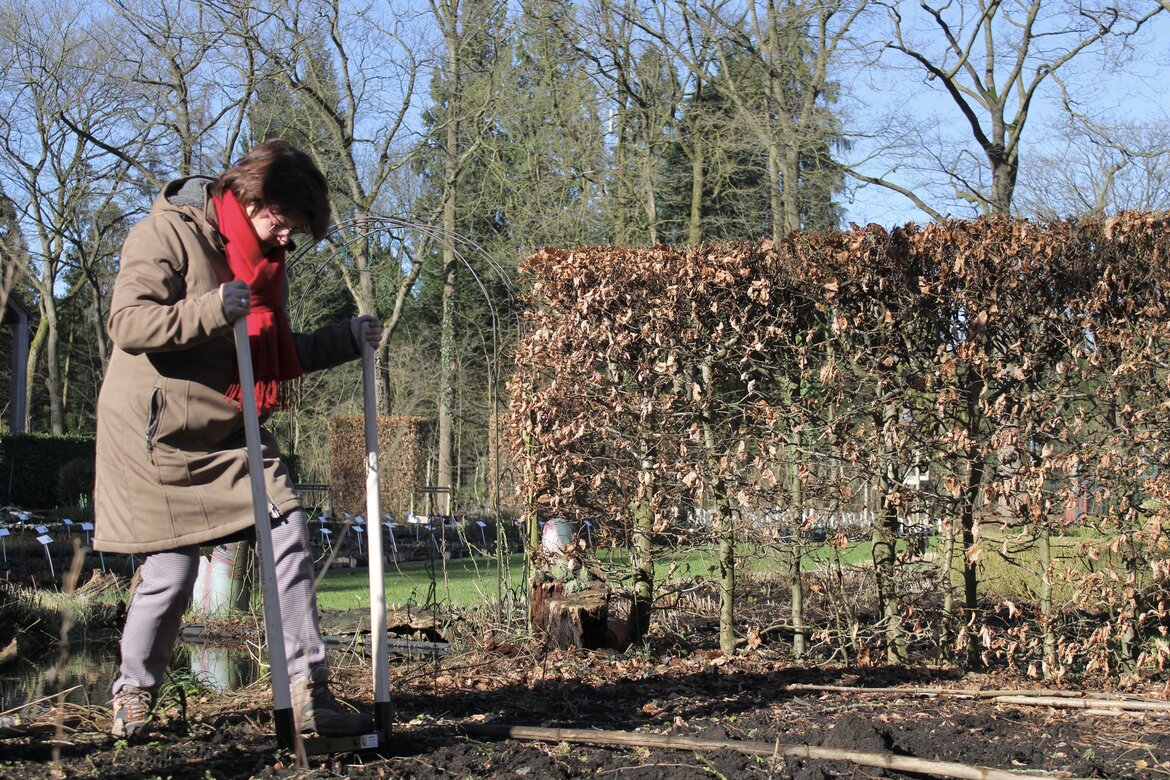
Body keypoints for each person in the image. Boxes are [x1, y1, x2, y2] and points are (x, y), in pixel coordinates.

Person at [93, 139, 381, 739]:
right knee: (171, 574)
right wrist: (211, 309)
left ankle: (308, 694)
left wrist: (347, 338)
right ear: (250, 196)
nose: (285, 238)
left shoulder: (265, 265)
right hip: (157, 437)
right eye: (283, 220)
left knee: (288, 529)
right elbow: (127, 321)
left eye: (295, 230)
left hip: (231, 429)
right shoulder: (166, 234)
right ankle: (133, 696)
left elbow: (272, 356)